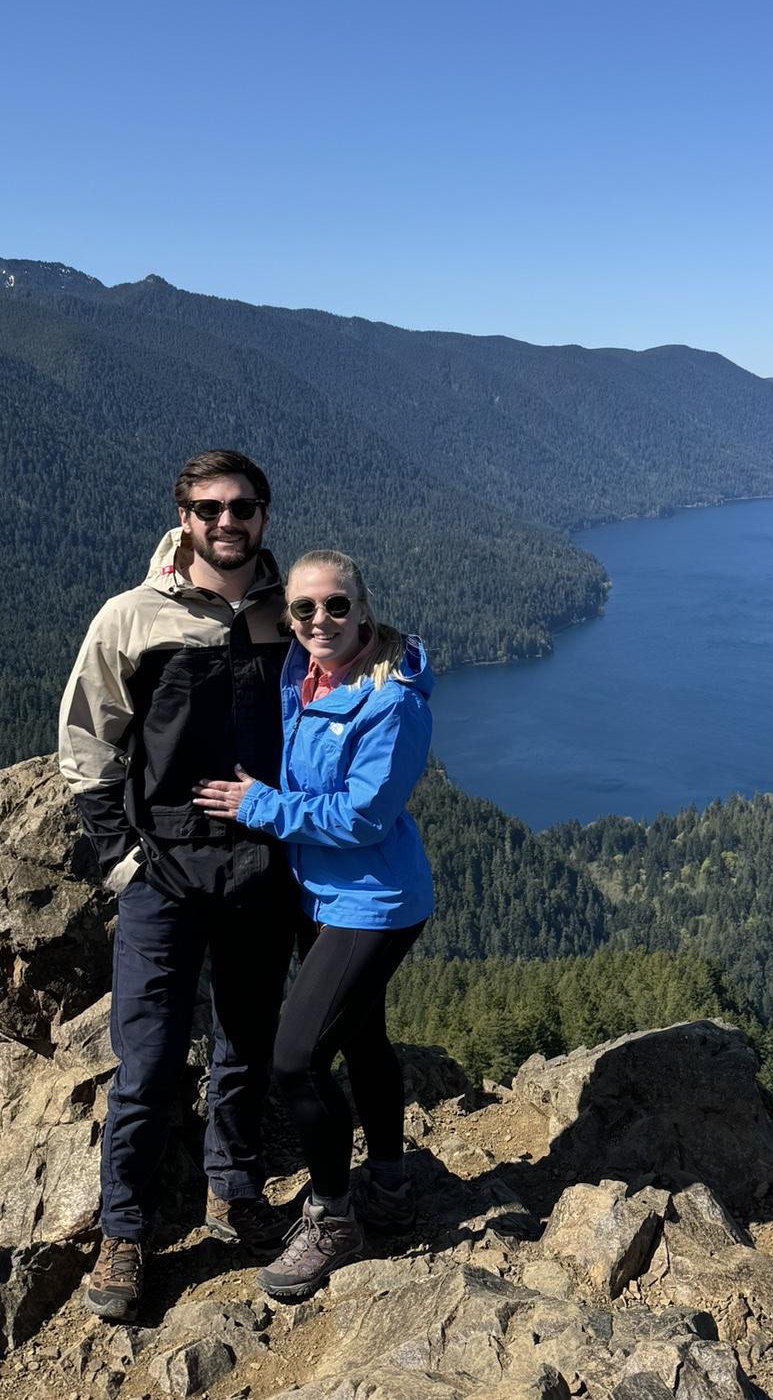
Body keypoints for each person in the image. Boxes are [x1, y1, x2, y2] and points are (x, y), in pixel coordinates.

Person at [58, 449, 299, 1322]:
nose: (226, 522)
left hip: (260, 868)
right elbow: (87, 741)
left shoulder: (291, 612)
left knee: (245, 1046)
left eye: (242, 506)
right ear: (184, 517)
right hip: (164, 872)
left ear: (264, 515)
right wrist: (123, 859)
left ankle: (234, 1193)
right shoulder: (133, 617)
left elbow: (359, 681)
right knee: (149, 1061)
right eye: (209, 508)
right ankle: (124, 1232)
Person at [193, 548, 434, 1301]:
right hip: (319, 895)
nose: (319, 620)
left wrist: (259, 806)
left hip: (372, 901)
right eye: (303, 608)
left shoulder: (391, 700)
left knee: (296, 1060)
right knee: (363, 1039)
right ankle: (388, 1185)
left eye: (336, 605)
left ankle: (333, 1219)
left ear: (364, 608)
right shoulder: (303, 671)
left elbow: (364, 816)